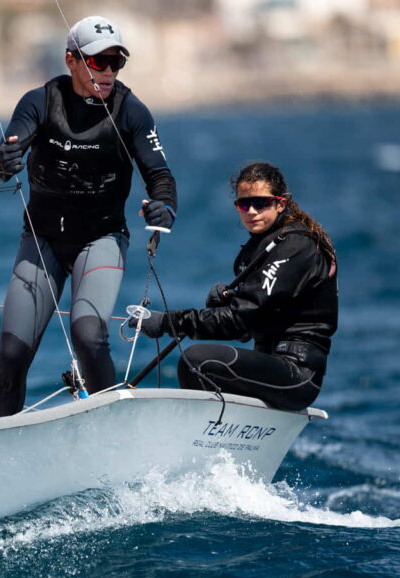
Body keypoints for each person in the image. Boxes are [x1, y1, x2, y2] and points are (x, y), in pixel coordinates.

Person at [0, 15, 178, 418]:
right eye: (97, 62)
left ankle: (111, 428)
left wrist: (165, 208)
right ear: (71, 60)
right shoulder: (41, 101)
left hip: (101, 240)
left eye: (116, 62)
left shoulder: (131, 111)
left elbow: (161, 177)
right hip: (42, 240)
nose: (108, 72)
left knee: (88, 334)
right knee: (12, 352)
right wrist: (2, 162)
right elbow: (0, 162)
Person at [132, 161, 337, 411]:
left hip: (298, 374)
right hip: (271, 365)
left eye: (261, 203)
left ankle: (203, 430)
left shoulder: (295, 246)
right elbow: (252, 321)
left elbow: (241, 319)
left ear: (280, 204)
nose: (252, 211)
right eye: (243, 204)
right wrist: (230, 302)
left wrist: (167, 322)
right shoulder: (258, 249)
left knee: (197, 361)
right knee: (199, 361)